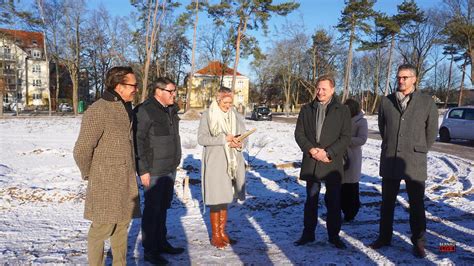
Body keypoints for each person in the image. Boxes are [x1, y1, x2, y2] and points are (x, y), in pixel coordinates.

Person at [73, 66, 141, 266]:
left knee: (121, 227)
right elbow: (82, 149)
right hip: (106, 183)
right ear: (119, 86)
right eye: (133, 85)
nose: (136, 89)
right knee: (101, 230)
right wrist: (91, 174)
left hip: (126, 181)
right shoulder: (99, 110)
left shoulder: (126, 108)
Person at [369, 64, 438, 258]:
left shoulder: (426, 102)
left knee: (416, 203)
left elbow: (431, 132)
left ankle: (418, 242)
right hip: (390, 158)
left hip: (414, 161)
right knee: (387, 202)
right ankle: (384, 237)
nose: (401, 81)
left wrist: (419, 148)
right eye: (399, 77)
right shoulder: (386, 101)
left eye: (405, 77)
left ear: (414, 79)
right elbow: (384, 128)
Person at [294, 74, 351, 249]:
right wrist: (311, 150)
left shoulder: (342, 110)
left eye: (324, 89)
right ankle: (308, 233)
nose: (320, 92)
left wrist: (329, 152)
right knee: (311, 200)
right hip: (312, 161)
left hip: (331, 162)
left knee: (333, 202)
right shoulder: (306, 109)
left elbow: (346, 137)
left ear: (332, 90)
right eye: (318, 88)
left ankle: (334, 236)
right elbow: (299, 134)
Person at [134, 77, 184, 264]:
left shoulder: (170, 109)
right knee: (152, 211)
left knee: (163, 208)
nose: (174, 95)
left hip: (169, 167)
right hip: (153, 170)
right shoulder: (145, 110)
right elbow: (138, 141)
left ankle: (161, 243)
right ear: (159, 91)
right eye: (171, 91)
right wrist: (143, 170)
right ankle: (150, 251)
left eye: (174, 91)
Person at [197, 86, 246, 249]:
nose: (228, 106)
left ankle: (223, 232)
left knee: (225, 198)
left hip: (232, 162)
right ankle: (216, 235)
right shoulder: (208, 116)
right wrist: (223, 139)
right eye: (225, 102)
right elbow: (202, 139)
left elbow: (242, 137)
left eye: (231, 103)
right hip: (215, 162)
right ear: (218, 101)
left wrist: (239, 142)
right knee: (216, 199)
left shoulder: (235, 116)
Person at [341, 99, 368, 222]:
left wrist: (345, 140)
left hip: (353, 156)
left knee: (351, 186)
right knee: (340, 185)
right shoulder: (341, 120)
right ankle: (341, 208)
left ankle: (351, 212)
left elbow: (362, 139)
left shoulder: (361, 122)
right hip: (340, 155)